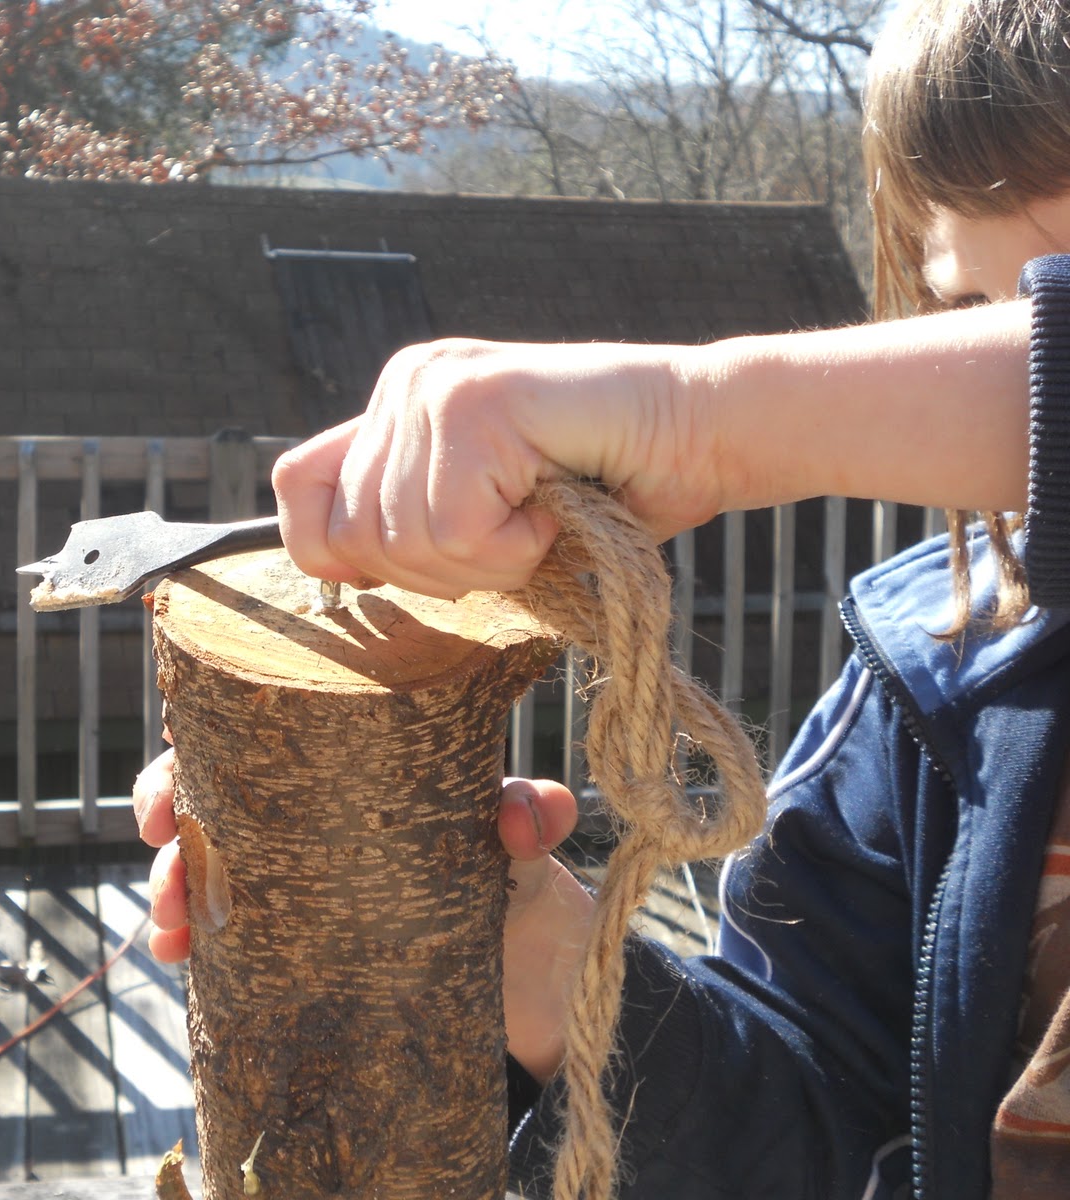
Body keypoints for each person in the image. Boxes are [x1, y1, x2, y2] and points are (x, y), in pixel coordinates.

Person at [134, 1, 1070, 1195]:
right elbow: (812, 1121)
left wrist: (705, 422)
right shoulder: (931, 684)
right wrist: (536, 962)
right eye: (974, 315)